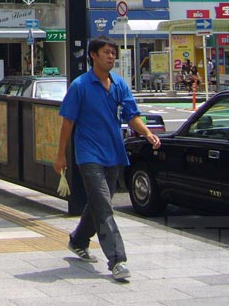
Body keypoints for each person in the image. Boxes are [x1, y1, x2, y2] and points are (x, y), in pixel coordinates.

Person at [53, 36, 161, 282]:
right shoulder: (80, 86)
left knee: (98, 202)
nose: (111, 56)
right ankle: (117, 260)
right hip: (88, 154)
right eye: (106, 52)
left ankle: (78, 240)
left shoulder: (119, 84)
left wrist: (147, 133)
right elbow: (68, 122)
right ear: (93, 55)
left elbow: (132, 115)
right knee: (103, 205)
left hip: (114, 152)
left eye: (113, 53)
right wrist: (60, 155)